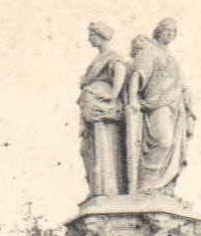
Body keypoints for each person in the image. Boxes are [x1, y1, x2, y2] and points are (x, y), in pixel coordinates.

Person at [128, 19, 193, 195]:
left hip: (174, 105)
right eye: (167, 30)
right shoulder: (150, 51)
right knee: (163, 142)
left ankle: (163, 186)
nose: (171, 34)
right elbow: (137, 73)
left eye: (174, 32)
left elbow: (180, 81)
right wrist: (133, 98)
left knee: (172, 145)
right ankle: (147, 185)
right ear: (158, 31)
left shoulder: (170, 56)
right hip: (157, 103)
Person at [78, 22, 128, 196]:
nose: (89, 39)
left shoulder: (112, 56)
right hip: (92, 107)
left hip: (103, 107)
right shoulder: (99, 58)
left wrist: (113, 94)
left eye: (91, 35)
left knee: (103, 145)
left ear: (101, 36)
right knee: (89, 149)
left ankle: (106, 189)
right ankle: (97, 189)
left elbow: (120, 70)